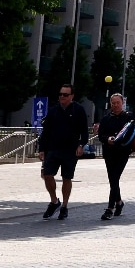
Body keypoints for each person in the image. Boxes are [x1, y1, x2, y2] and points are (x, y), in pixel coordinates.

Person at [37, 83, 89, 221]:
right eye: (60, 94)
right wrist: (41, 148)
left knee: (67, 177)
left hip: (70, 150)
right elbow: (46, 131)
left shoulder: (79, 110)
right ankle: (54, 201)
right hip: (53, 148)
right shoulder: (53, 110)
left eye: (65, 94)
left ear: (72, 96)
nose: (62, 97)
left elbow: (84, 131)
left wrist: (81, 145)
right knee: (47, 174)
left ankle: (64, 206)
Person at [95, 93, 134, 220]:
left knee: (115, 178)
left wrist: (119, 140)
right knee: (113, 180)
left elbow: (130, 134)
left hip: (122, 152)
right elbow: (101, 135)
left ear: (122, 103)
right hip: (109, 152)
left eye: (117, 102)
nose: (115, 105)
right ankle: (119, 202)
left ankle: (110, 208)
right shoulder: (106, 119)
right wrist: (108, 139)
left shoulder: (128, 117)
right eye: (113, 103)